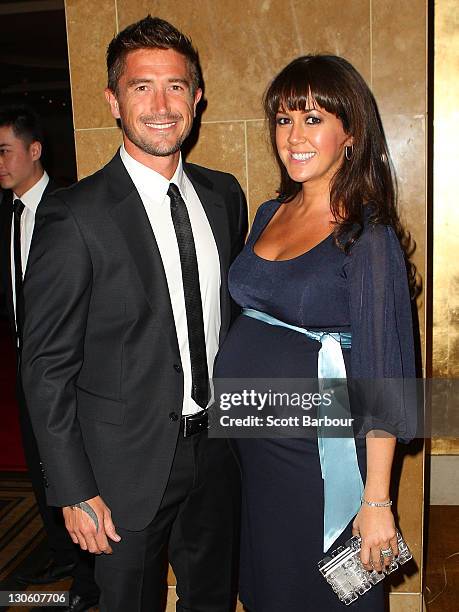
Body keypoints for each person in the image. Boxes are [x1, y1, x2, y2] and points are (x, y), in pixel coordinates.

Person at [21, 16, 247, 612]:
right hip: (120, 470)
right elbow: (45, 368)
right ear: (114, 101)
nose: (161, 104)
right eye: (141, 86)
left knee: (213, 599)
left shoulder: (225, 196)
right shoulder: (76, 216)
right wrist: (72, 489)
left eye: (175, 86)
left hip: (219, 452)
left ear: (197, 99)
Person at [214, 55, 417, 611]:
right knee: (269, 583)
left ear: (350, 134)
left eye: (314, 119)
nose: (295, 136)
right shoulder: (268, 212)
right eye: (284, 120)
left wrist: (377, 501)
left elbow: (384, 376)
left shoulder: (366, 237)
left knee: (328, 591)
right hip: (257, 448)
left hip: (320, 457)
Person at [0, 105, 99, 612]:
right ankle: (61, 552)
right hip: (23, 359)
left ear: (34, 150)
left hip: (69, 367)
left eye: (4, 150)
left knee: (72, 466)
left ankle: (88, 575)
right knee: (41, 469)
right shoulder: (7, 214)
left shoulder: (71, 207)